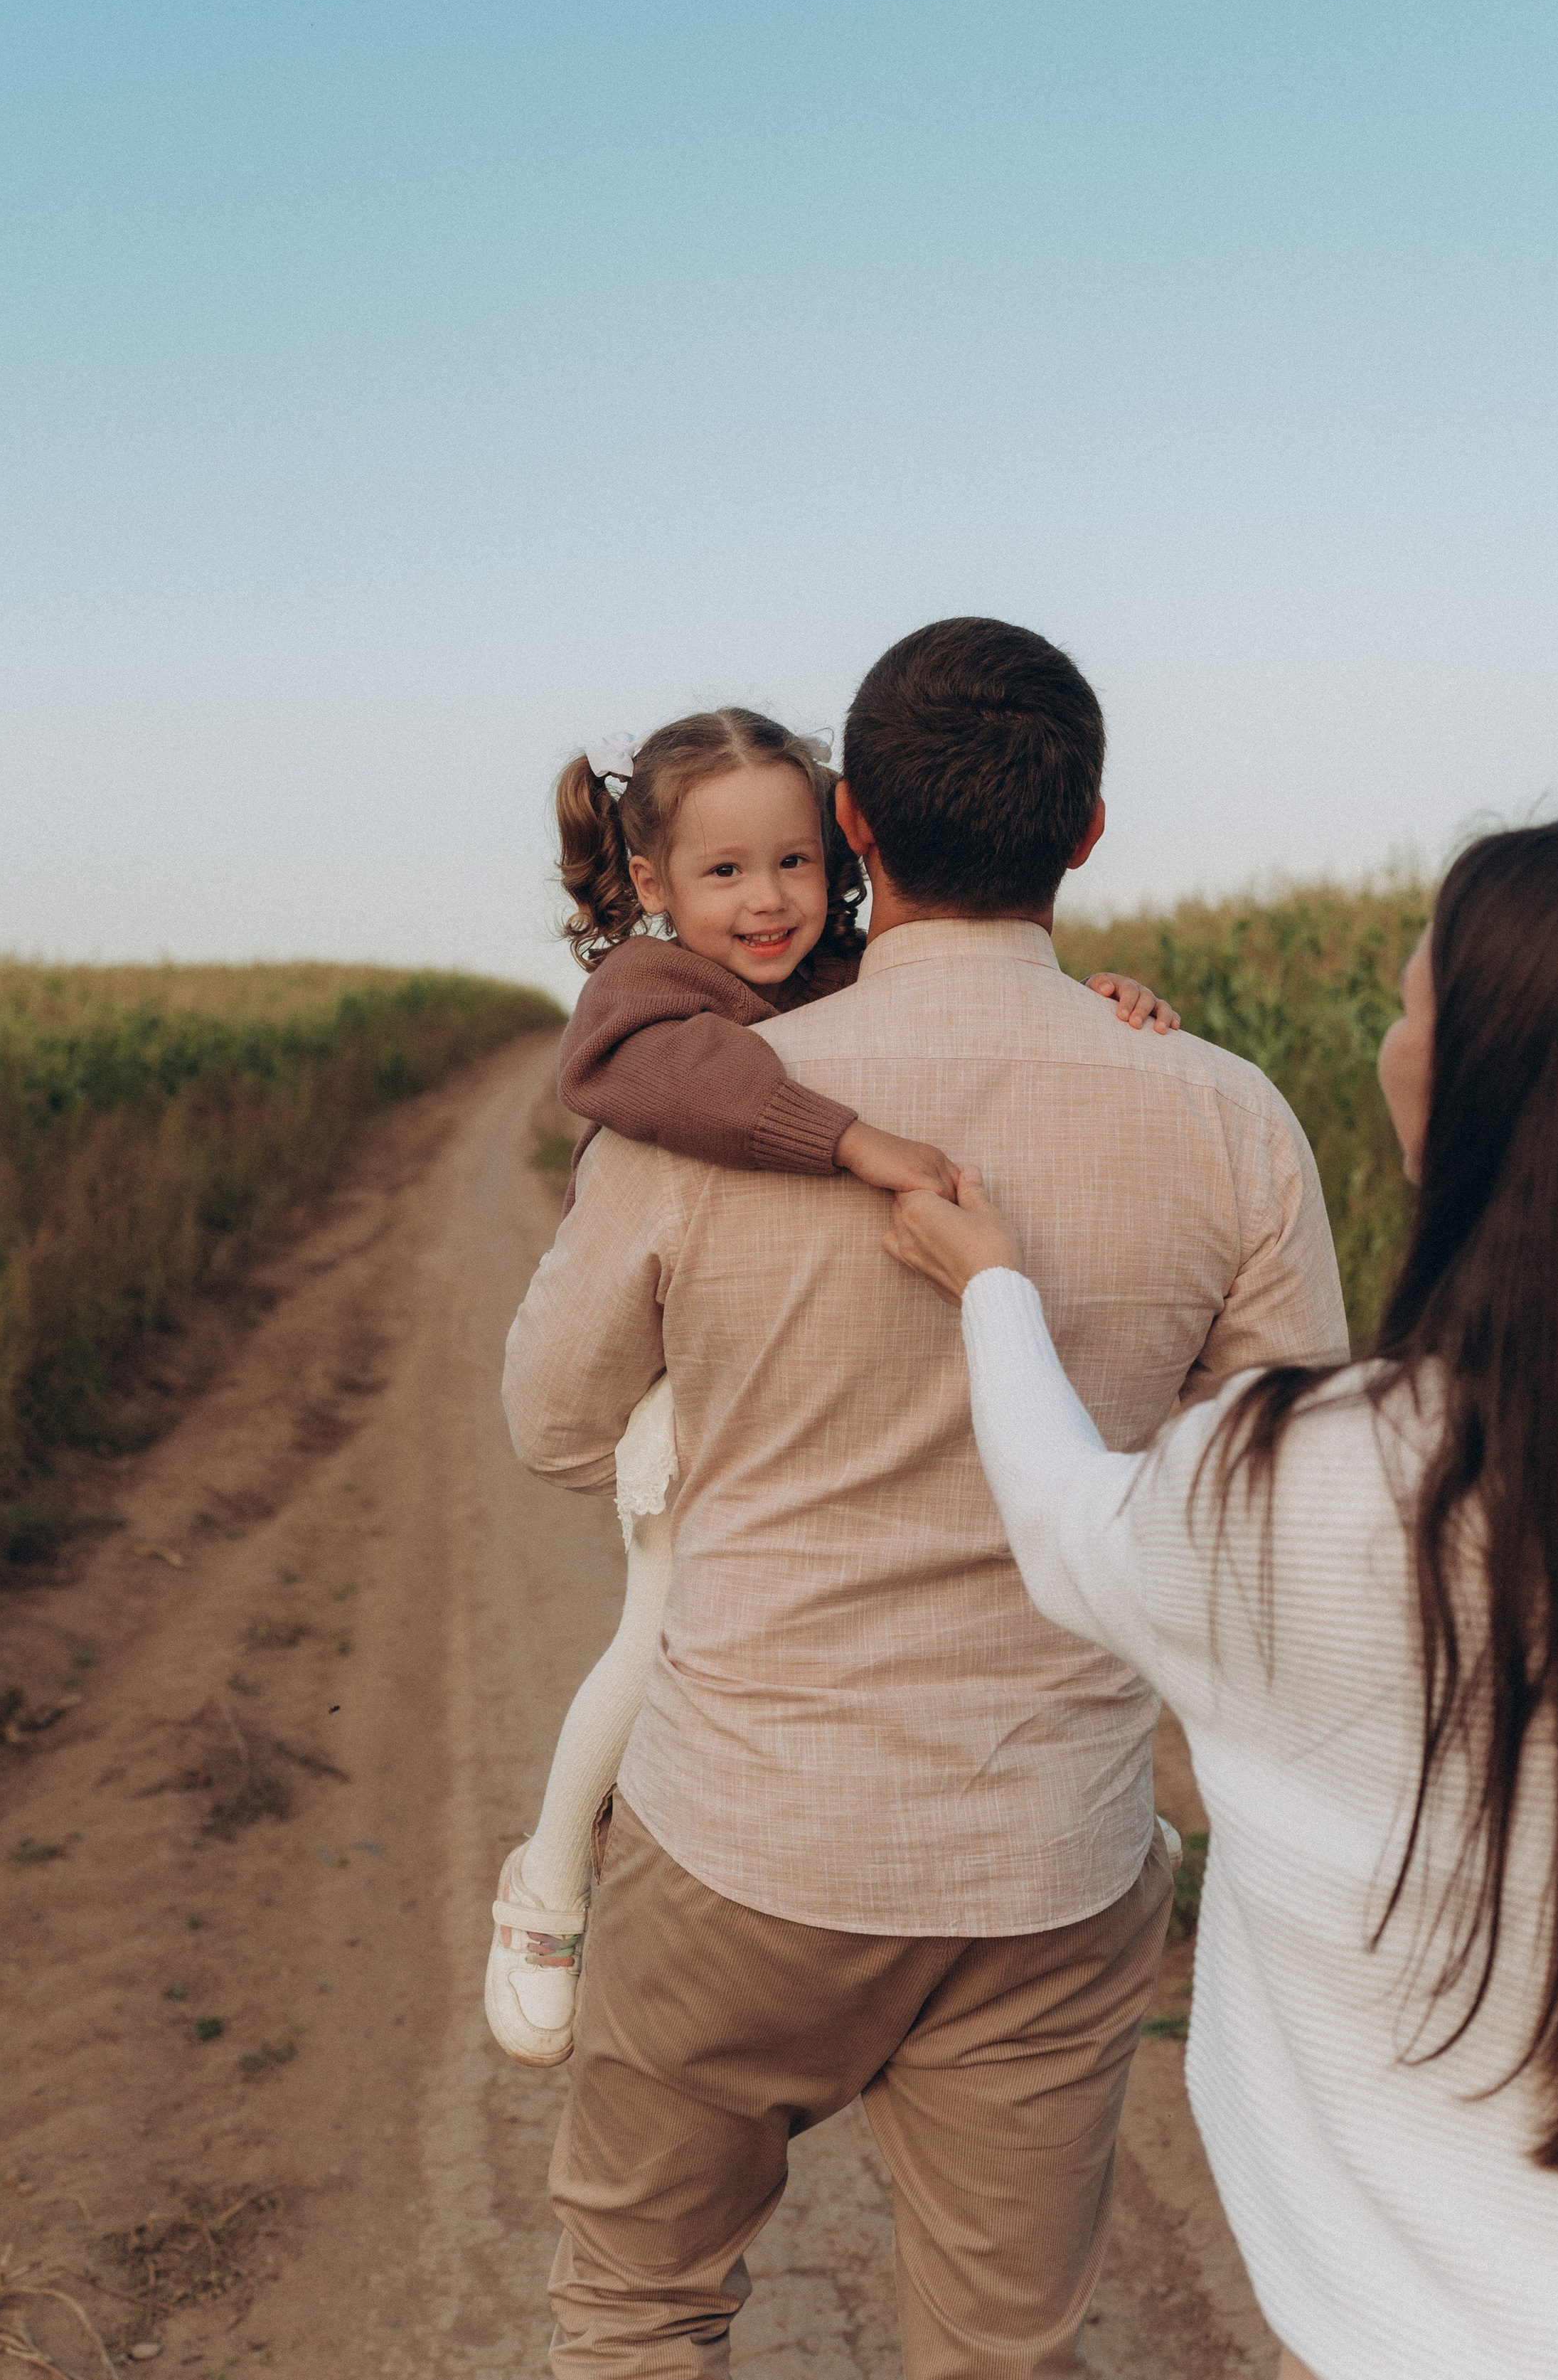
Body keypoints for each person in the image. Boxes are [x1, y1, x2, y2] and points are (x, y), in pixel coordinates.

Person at [501, 617, 1348, 2378]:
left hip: (743, 1827)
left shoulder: (706, 1106)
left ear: (853, 822)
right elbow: (1273, 1506)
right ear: (1090, 829)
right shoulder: (1228, 1116)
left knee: (640, 2309)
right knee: (997, 2352)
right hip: (1046, 1851)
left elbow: (550, 1422)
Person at [885, 817, 1558, 2380]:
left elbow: (1063, 1521)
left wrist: (992, 1292)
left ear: (1474, 1095)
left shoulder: (1309, 1482)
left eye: (1409, 1004)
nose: (1387, 1036)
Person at [488, 704, 1179, 2066]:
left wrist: (1110, 1008)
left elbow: (971, 1015)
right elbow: (694, 1084)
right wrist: (851, 1137)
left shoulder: (853, 974)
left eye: (795, 864)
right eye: (727, 872)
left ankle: (1092, 1793)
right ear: (651, 885)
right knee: (659, 1626)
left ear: (844, 850)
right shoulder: (649, 997)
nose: (767, 902)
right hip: (674, 1388)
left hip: (793, 1351)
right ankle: (550, 1875)